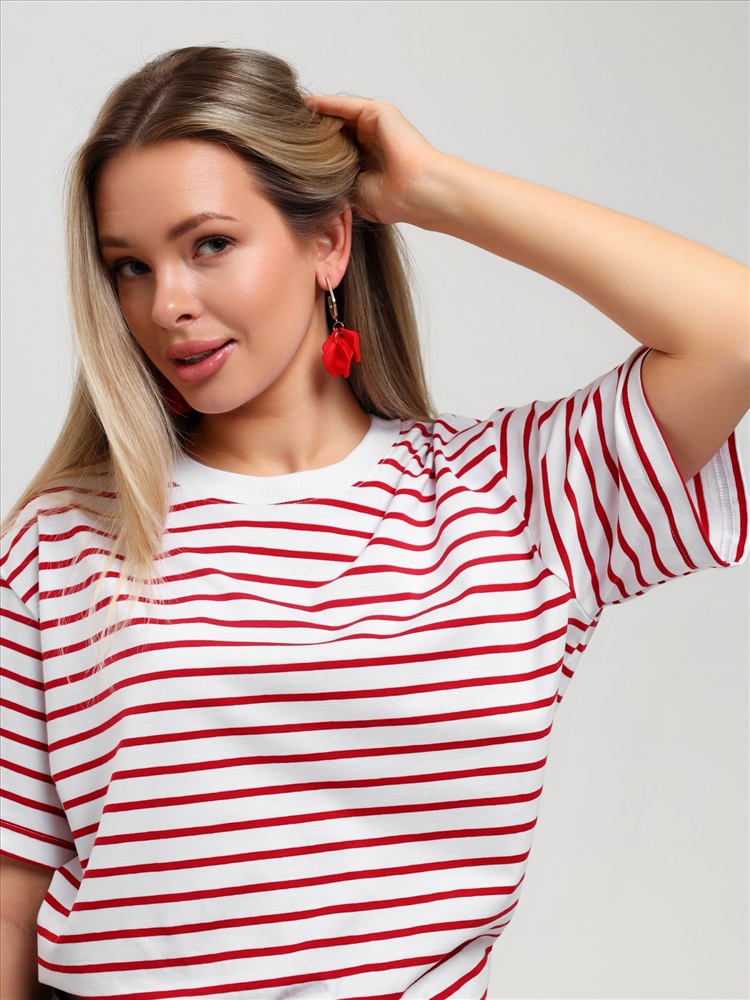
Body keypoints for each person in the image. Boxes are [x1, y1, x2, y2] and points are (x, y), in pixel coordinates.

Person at [0, 44, 746, 1000]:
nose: (167, 303)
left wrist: (434, 189)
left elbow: (733, 333)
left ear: (328, 242)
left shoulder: (511, 494)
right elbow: (12, 907)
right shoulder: (63, 540)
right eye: (130, 267)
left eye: (210, 244)